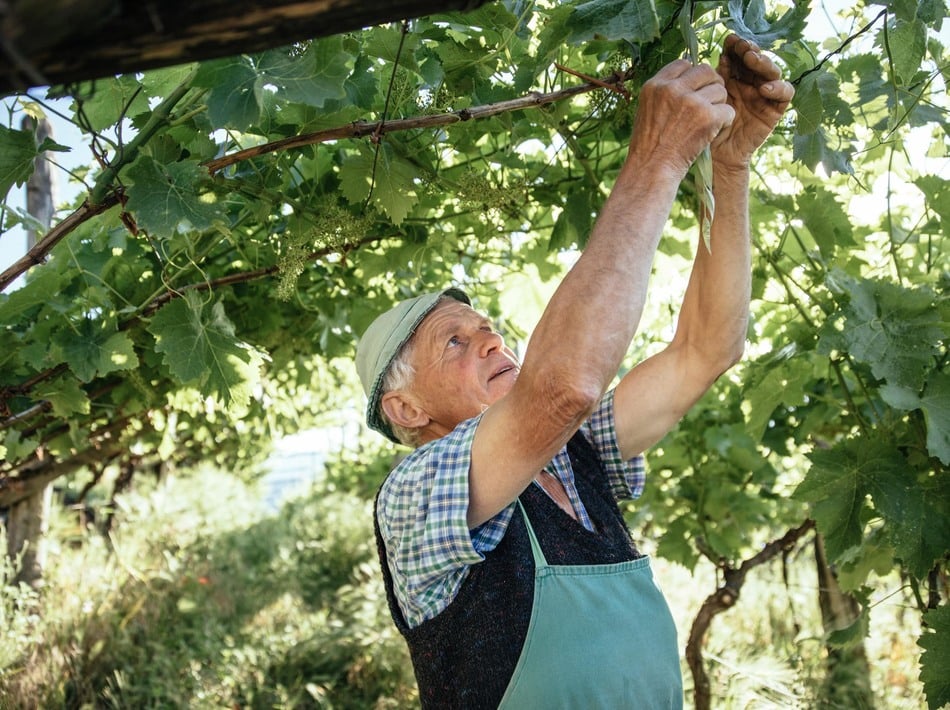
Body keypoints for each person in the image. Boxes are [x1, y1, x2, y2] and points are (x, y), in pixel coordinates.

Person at [354, 34, 793, 709]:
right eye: (454, 344)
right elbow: (562, 389)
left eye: (488, 330)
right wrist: (656, 157)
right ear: (407, 410)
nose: (491, 341)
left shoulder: (575, 455)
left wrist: (727, 168)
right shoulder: (415, 493)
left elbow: (705, 350)